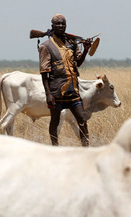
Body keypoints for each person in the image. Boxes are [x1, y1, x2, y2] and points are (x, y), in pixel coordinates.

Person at [38, 14, 93, 146]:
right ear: (52, 27)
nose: (61, 26)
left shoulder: (72, 43)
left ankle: (86, 148)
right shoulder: (46, 46)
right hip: (56, 91)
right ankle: (54, 147)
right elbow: (44, 73)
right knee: (55, 121)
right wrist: (48, 94)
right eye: (58, 24)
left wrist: (86, 49)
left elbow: (78, 63)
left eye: (63, 24)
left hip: (73, 89)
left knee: (82, 119)